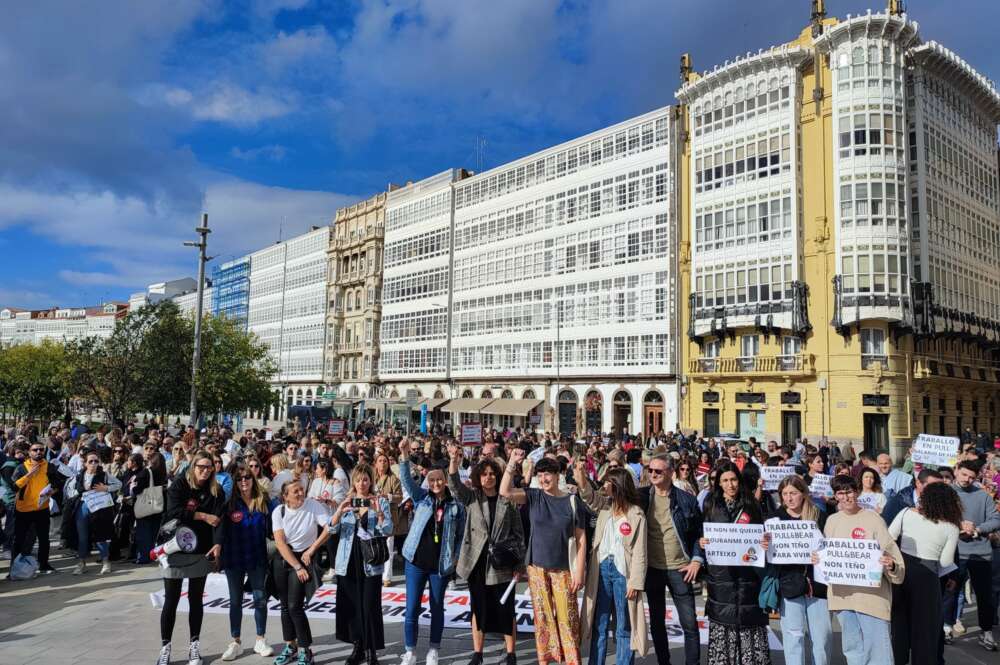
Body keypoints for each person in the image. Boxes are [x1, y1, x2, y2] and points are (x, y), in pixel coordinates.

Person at [501, 448, 588, 665]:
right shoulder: (534, 496)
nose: (544, 479)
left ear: (557, 474)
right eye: (540, 476)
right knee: (542, 618)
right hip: (536, 567)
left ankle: (571, 661)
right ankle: (545, 660)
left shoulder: (572, 501)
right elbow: (505, 492)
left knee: (567, 619)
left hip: (564, 569)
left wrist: (579, 571)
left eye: (547, 474)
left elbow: (581, 538)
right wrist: (512, 464)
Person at [447, 443, 523, 665]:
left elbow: (518, 534)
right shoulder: (471, 497)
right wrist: (453, 460)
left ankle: (511, 654)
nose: (488, 478)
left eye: (492, 474)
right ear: (478, 477)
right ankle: (477, 653)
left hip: (502, 562)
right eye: (484, 474)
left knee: (506, 609)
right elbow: (453, 484)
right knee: (478, 608)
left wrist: (519, 565)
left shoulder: (507, 499)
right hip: (477, 562)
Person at [820, 474, 904, 665]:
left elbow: (892, 554)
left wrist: (890, 564)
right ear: (835, 496)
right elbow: (827, 553)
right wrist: (820, 559)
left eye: (849, 492)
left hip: (871, 596)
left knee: (878, 651)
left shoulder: (874, 519)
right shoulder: (832, 520)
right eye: (840, 493)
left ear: (857, 492)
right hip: (843, 596)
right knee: (852, 649)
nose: (846, 497)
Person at [397, 439, 465, 665]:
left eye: (439, 480)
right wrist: (405, 455)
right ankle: (410, 651)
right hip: (415, 561)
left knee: (437, 607)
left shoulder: (455, 505)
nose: (436, 483)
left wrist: (455, 557)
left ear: (445, 482)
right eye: (432, 480)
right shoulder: (422, 498)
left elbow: (461, 534)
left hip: (440, 564)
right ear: (428, 482)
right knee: (412, 607)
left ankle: (434, 649)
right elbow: (406, 480)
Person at [574, 462, 649, 665]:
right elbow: (589, 497)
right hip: (602, 569)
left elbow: (640, 552)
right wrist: (580, 475)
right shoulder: (605, 507)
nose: (604, 486)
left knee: (624, 625)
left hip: (624, 572)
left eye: (608, 482)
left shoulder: (636, 514)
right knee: (599, 622)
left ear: (619, 485)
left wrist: (636, 581)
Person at [156, 451, 226, 665]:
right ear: (192, 466)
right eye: (201, 467)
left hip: (200, 549)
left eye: (209, 467)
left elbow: (219, 520)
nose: (205, 471)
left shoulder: (216, 490)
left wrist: (218, 543)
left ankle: (194, 647)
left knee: (196, 599)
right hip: (174, 546)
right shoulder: (179, 485)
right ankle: (165, 647)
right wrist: (203, 516)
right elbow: (173, 513)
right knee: (171, 599)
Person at [699, 461, 771, 665]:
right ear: (718, 483)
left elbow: (761, 532)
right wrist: (702, 541)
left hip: (748, 577)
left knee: (749, 625)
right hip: (721, 577)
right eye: (725, 480)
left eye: (733, 479)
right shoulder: (710, 504)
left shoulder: (751, 505)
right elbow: (701, 533)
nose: (730, 485)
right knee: (724, 625)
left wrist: (764, 541)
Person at [636, 453, 704, 665]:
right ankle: (663, 662)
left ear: (670, 473)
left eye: (658, 471)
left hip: (680, 568)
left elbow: (698, 534)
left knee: (690, 624)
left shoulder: (686, 500)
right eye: (651, 470)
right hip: (653, 569)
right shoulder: (642, 497)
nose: (653, 474)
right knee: (656, 622)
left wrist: (696, 560)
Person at [888, 482, 962, 665]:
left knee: (900, 624)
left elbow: (889, 537)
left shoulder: (906, 513)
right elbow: (946, 562)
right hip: (928, 578)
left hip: (902, 573)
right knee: (926, 629)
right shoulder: (951, 528)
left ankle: (899, 660)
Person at [330, 464, 393, 665]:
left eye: (365, 480)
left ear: (371, 481)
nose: (362, 484)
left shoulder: (379, 501)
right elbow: (332, 530)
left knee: (369, 606)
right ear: (353, 482)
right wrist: (340, 511)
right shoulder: (347, 502)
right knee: (352, 606)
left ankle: (370, 650)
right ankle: (357, 646)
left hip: (370, 561)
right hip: (348, 560)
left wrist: (379, 512)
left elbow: (389, 530)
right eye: (358, 480)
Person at [270, 479, 332, 665]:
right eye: (295, 491)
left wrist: (312, 549)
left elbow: (328, 528)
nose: (300, 493)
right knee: (284, 606)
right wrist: (296, 566)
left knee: (295, 606)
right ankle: (291, 646)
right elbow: (280, 542)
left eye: (301, 489)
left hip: (305, 557)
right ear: (285, 496)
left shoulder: (313, 505)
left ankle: (306, 650)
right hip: (284, 559)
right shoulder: (278, 511)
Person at [220, 463, 277, 662]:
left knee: (260, 599)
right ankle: (235, 641)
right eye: (239, 478)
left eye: (247, 477)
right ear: (235, 482)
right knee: (235, 600)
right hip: (233, 558)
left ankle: (260, 639)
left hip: (257, 557)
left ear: (254, 479)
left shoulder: (265, 502)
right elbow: (219, 530)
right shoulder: (229, 504)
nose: (243, 481)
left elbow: (278, 525)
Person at [771, 475, 830, 665]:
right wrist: (765, 545)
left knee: (821, 639)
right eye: (785, 493)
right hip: (790, 584)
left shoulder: (819, 516)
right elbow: (769, 555)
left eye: (793, 493)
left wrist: (823, 555)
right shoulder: (775, 520)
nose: (789, 498)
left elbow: (832, 547)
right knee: (793, 637)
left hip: (818, 586)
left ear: (803, 494)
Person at [942, 460, 1000, 651]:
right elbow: (937, 516)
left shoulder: (983, 496)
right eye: (964, 474)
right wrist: (959, 525)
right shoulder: (945, 493)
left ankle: (986, 631)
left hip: (980, 553)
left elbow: (996, 519)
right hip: (954, 552)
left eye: (972, 477)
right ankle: (947, 627)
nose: (967, 479)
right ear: (956, 470)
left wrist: (978, 529)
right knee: (950, 592)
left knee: (984, 595)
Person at [63, 449, 122, 575]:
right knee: (82, 536)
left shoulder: (104, 474)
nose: (94, 463)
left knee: (101, 535)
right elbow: (69, 490)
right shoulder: (79, 475)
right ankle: (81, 562)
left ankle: (106, 562)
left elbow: (119, 484)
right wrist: (78, 493)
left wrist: (106, 488)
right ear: (85, 463)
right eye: (91, 461)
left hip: (99, 508)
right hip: (83, 506)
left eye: (96, 461)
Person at [11, 441, 57, 574]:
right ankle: (14, 566)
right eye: (35, 450)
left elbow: (56, 483)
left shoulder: (49, 466)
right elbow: (14, 487)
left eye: (41, 450)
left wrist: (52, 491)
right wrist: (28, 475)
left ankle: (44, 564)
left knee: (44, 539)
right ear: (29, 452)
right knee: (19, 539)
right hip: (23, 510)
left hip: (42, 509)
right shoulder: (21, 467)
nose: (38, 452)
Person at [373, 452, 403, 587]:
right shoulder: (371, 478)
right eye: (380, 461)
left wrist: (388, 496)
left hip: (389, 517)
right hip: (373, 516)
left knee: (388, 546)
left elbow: (400, 497)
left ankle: (387, 576)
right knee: (374, 545)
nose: (383, 463)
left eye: (385, 461)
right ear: (376, 463)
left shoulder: (393, 479)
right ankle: (375, 572)